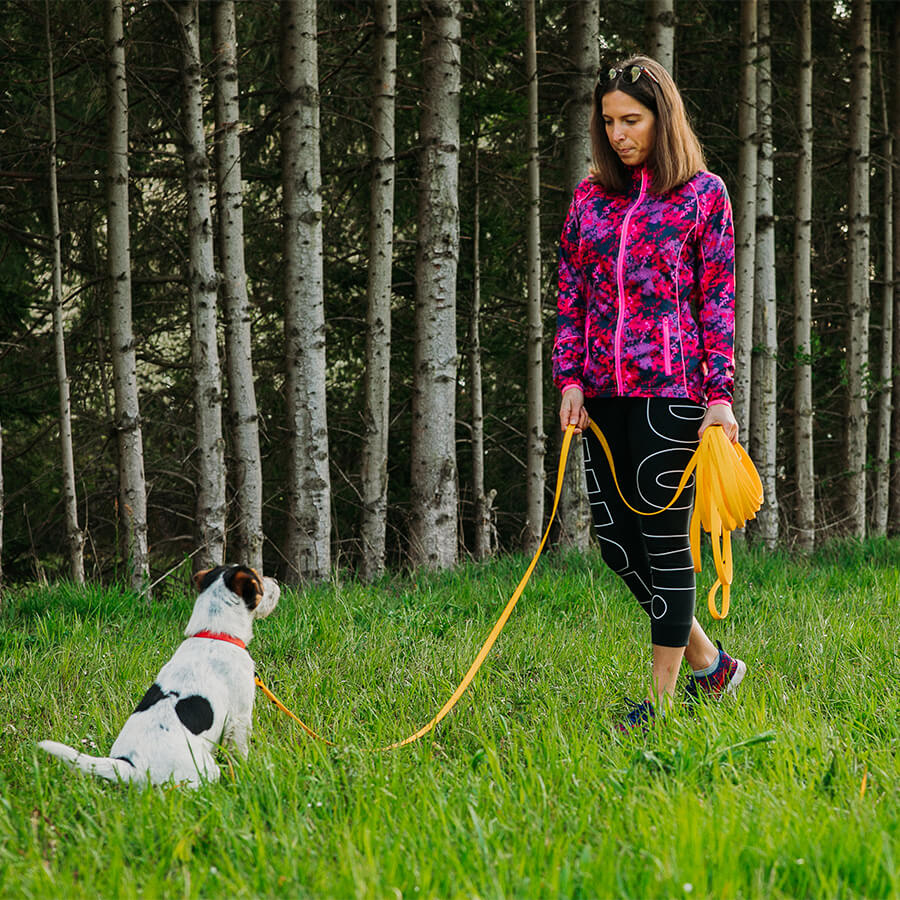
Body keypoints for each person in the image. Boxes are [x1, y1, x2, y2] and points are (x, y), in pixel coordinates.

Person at [552, 56, 746, 730]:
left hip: (675, 395)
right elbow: (570, 294)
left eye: (630, 120)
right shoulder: (589, 198)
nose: (618, 133)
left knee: (665, 545)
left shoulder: (704, 195)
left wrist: (719, 395)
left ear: (664, 118)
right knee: (615, 543)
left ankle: (662, 705)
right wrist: (569, 378)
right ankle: (711, 665)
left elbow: (717, 300)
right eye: (608, 122)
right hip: (602, 397)